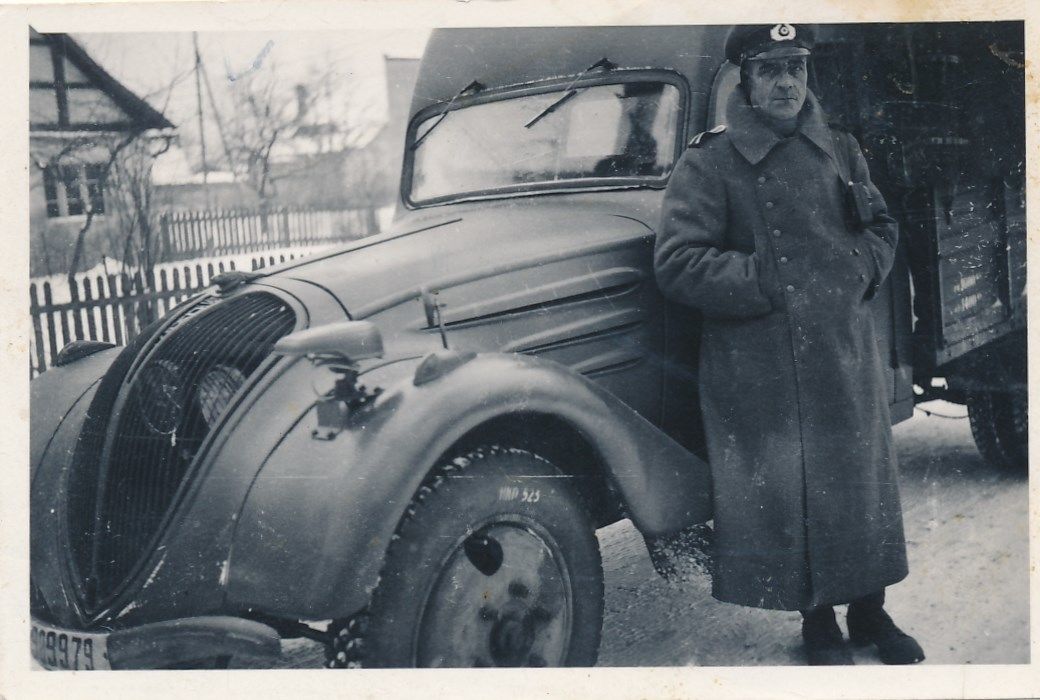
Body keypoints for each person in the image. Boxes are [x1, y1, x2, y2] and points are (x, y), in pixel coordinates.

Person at [653, 23, 925, 666]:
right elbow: (678, 262)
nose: (786, 83)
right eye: (770, 69)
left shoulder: (841, 148)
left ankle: (871, 611)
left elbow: (881, 225)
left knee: (860, 484)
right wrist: (769, 279)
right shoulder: (709, 161)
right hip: (765, 361)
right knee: (796, 494)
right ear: (744, 80)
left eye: (796, 67)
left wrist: (860, 268)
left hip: (842, 348)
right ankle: (817, 620)